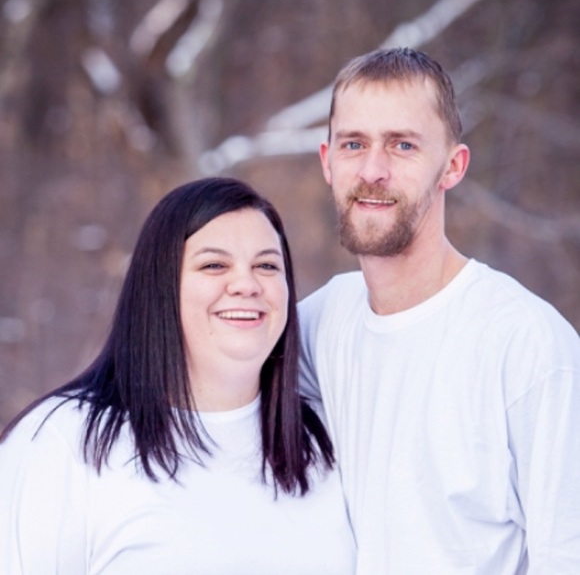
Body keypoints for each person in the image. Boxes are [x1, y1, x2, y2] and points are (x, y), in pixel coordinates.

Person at [299, 47, 580, 574]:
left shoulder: (528, 344)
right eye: (354, 144)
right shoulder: (322, 322)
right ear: (327, 161)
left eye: (402, 145)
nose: (373, 170)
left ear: (453, 166)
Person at [0, 177, 355, 575]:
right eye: (214, 265)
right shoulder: (65, 443)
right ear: (159, 286)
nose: (247, 284)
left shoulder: (328, 439)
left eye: (267, 266)